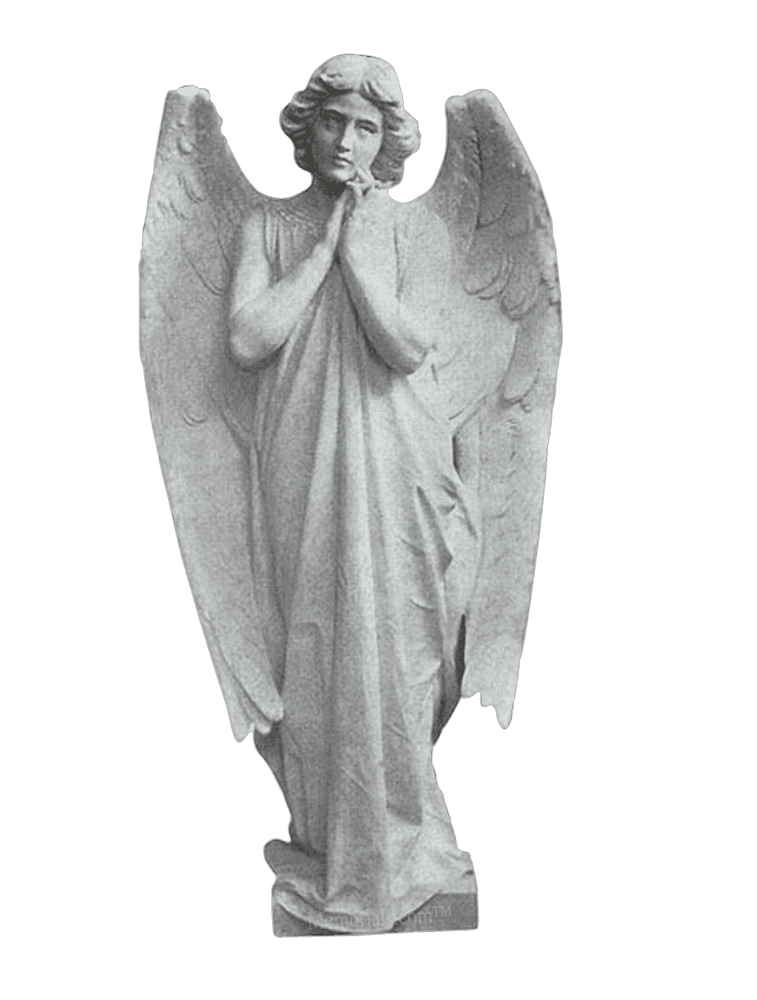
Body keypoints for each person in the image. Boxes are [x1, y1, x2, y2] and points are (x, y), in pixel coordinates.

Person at [228, 55, 479, 931]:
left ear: (388, 140)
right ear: (308, 129)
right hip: (302, 463)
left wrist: (359, 251)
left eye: (366, 127)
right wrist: (324, 244)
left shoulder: (413, 231)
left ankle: (399, 842)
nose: (347, 140)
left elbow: (406, 348)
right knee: (315, 643)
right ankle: (334, 843)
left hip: (398, 458)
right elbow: (248, 340)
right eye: (332, 121)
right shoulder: (264, 226)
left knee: (402, 643)